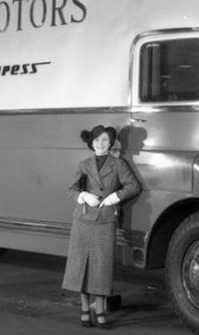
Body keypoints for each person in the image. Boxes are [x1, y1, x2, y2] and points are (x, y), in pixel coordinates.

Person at [62, 125, 142, 329]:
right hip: (82, 219)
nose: (100, 144)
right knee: (81, 266)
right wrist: (83, 195)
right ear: (91, 143)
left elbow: (133, 186)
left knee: (101, 267)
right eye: (97, 140)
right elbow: (71, 189)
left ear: (111, 143)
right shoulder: (83, 165)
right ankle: (84, 309)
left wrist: (115, 197)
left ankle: (100, 311)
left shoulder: (119, 164)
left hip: (105, 220)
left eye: (105, 140)